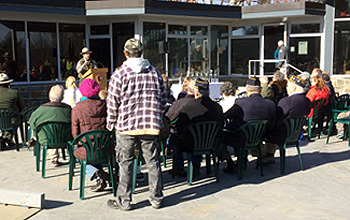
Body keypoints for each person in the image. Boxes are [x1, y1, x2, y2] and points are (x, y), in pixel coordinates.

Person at [106, 38, 166, 210]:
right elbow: (163, 99)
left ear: (125, 53)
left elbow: (112, 103)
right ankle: (156, 199)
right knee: (153, 162)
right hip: (150, 125)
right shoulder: (154, 73)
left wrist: (111, 123)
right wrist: (158, 118)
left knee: (125, 163)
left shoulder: (119, 74)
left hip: (126, 126)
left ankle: (124, 201)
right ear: (142, 52)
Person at [173, 78, 231, 175]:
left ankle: (179, 168)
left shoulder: (188, 108)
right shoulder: (217, 107)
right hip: (211, 143)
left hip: (191, 144)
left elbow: (180, 127)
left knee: (176, 140)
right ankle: (196, 165)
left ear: (196, 93)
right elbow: (221, 124)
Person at [71, 78, 111, 192]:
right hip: (105, 147)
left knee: (77, 153)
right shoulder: (105, 105)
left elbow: (75, 133)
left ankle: (97, 174)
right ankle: (102, 176)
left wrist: (78, 142)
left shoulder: (77, 108)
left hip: (86, 147)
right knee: (93, 152)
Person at [224, 77, 276, 162]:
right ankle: (265, 155)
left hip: (242, 138)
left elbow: (228, 116)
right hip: (260, 136)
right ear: (261, 89)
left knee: (228, 132)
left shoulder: (241, 102)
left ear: (247, 89)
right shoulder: (270, 104)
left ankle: (237, 161)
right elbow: (272, 124)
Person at [263, 74, 311, 164]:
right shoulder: (307, 101)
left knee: (259, 131)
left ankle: (264, 155)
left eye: (288, 86)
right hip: (295, 134)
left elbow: (275, 119)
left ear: (294, 88)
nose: (286, 88)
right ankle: (269, 155)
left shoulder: (286, 101)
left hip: (282, 135)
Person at [29, 85, 71, 166]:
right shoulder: (68, 109)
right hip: (65, 139)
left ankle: (53, 158)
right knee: (55, 131)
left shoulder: (41, 109)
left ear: (49, 96)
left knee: (48, 133)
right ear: (62, 97)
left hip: (46, 139)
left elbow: (32, 123)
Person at [0, 72, 24, 148]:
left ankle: (5, 138)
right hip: (12, 120)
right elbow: (22, 106)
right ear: (8, 84)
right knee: (12, 118)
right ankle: (7, 138)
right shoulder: (14, 93)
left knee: (4, 118)